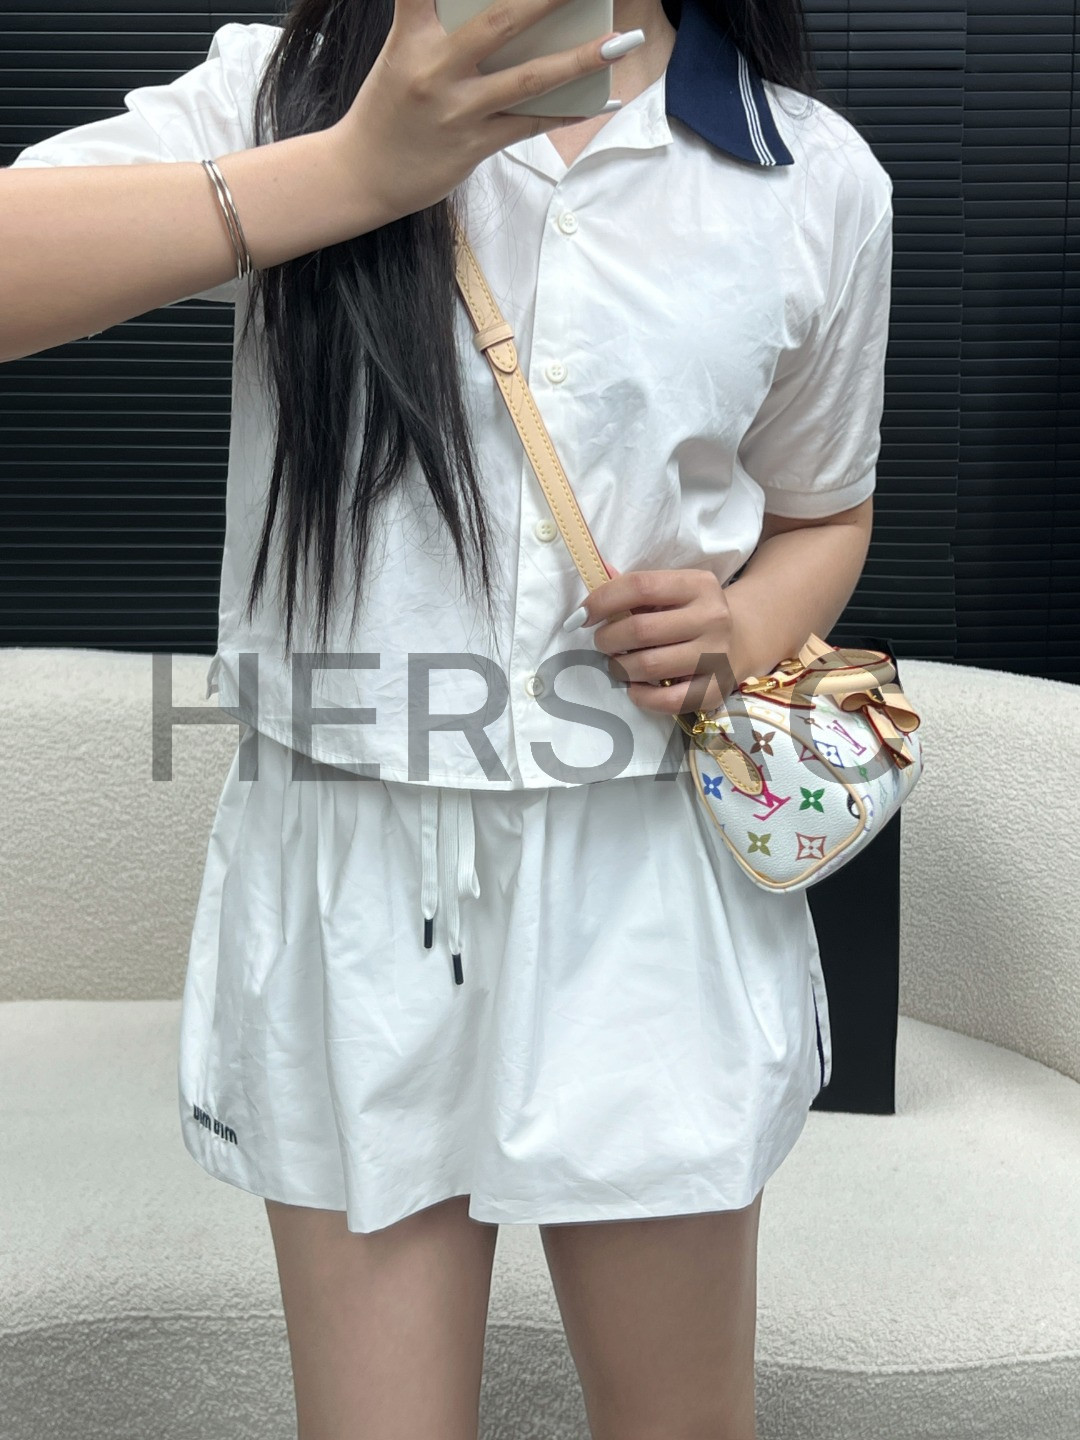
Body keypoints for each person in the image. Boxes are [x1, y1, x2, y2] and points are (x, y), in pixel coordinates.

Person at [2, 0, 893, 1433]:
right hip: (354, 877)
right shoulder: (289, 92)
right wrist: (357, 168)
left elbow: (823, 511)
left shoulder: (809, 171)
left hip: (643, 876)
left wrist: (737, 627)